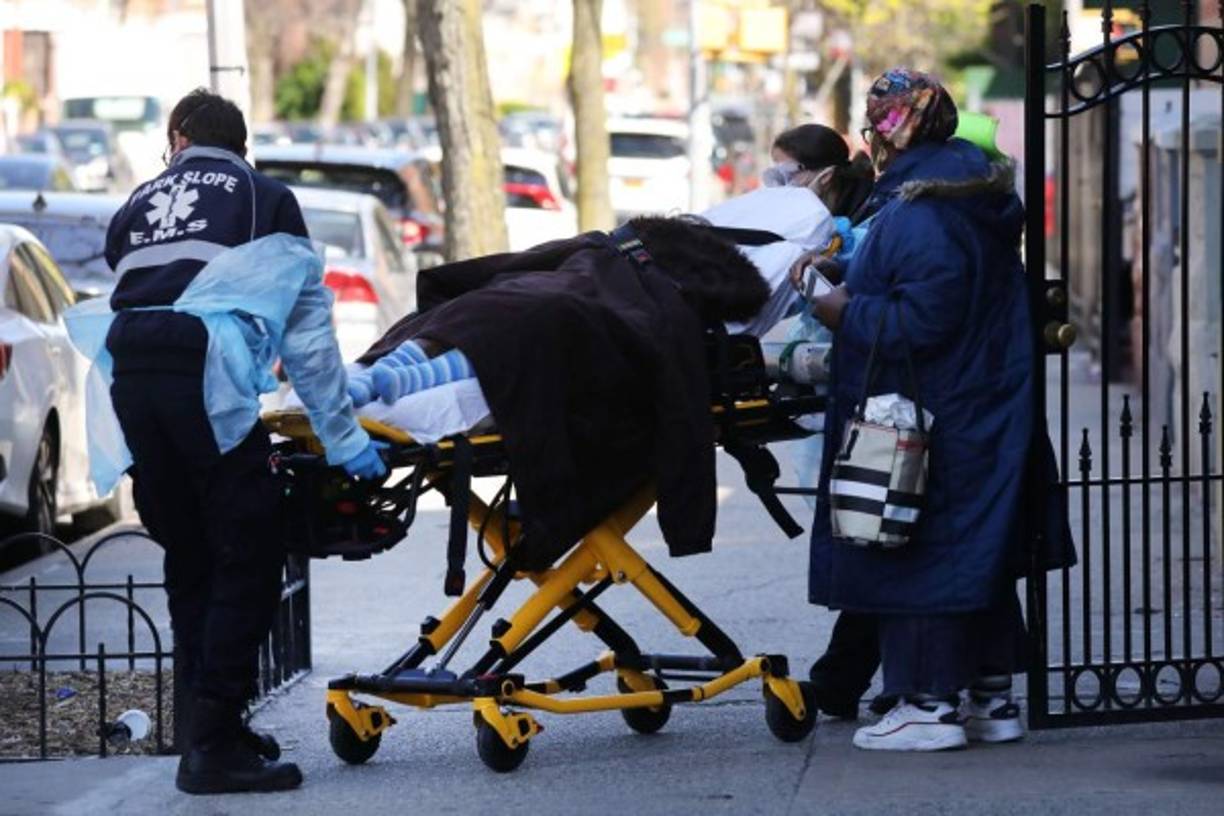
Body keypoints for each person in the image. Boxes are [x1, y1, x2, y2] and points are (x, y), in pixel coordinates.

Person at [95, 89, 386, 793]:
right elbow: (308, 337)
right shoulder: (264, 197)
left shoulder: (138, 198)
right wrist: (345, 441)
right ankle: (214, 745)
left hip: (129, 367)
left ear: (178, 138)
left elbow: (124, 271)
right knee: (250, 552)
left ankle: (206, 727)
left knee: (190, 556)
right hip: (204, 370)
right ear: (241, 144)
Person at [803, 68, 1063, 751]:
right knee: (972, 551)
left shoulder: (924, 210)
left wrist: (841, 308)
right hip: (974, 404)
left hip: (928, 411)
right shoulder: (959, 195)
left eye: (874, 122)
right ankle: (989, 699)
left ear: (896, 129)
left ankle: (929, 707)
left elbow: (922, 317)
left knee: (918, 555)